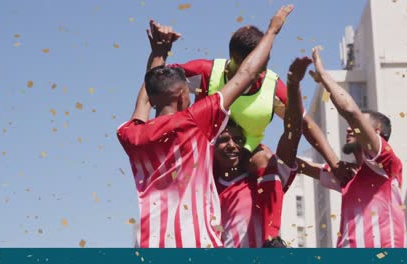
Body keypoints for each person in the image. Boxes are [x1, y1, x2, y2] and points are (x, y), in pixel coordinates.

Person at [133, 21, 341, 245]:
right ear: (237, 60)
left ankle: (272, 240)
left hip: (249, 158)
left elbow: (302, 125)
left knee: (267, 157)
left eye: (266, 59)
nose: (262, 67)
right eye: (258, 60)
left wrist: (335, 163)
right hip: (202, 158)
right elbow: (159, 82)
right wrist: (159, 51)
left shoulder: (271, 85)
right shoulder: (208, 72)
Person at [117, 5, 294, 248]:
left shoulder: (129, 134)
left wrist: (158, 53)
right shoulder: (195, 123)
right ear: (181, 95)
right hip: (198, 244)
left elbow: (145, 98)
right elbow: (247, 73)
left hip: (153, 245)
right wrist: (272, 31)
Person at [297, 47, 407, 248]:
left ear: (378, 131)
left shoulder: (387, 165)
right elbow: (299, 165)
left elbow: (350, 112)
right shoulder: (347, 176)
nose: (349, 128)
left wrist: (324, 77)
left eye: (358, 126)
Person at [213, 56, 310, 247]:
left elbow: (293, 132)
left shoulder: (266, 177)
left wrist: (293, 85)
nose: (232, 145)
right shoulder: (205, 187)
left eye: (238, 140)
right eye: (223, 140)